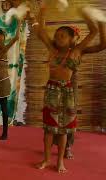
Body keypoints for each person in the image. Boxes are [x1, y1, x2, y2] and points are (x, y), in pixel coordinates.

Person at [35, 5, 97, 173]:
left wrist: (86, 14)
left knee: (63, 131)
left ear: (71, 39)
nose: (58, 37)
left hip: (67, 93)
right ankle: (47, 159)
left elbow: (93, 32)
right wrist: (42, 10)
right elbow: (41, 31)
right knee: (48, 130)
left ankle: (60, 161)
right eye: (57, 35)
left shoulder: (76, 51)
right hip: (51, 91)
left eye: (62, 36)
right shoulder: (52, 50)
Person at [52, 22, 106, 159]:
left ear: (75, 39)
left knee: (69, 115)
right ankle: (54, 142)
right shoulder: (56, 49)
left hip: (71, 86)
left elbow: (102, 45)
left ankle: (68, 146)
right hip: (54, 86)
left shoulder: (79, 51)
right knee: (53, 114)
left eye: (75, 36)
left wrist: (100, 24)